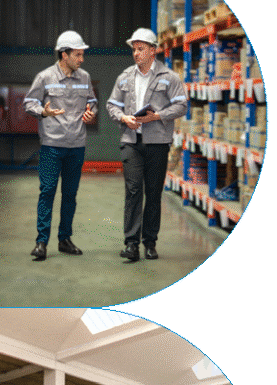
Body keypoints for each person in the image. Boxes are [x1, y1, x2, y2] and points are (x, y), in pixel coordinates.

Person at [107, 28, 188, 261]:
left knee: (153, 193)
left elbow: (182, 106)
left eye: (141, 49)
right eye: (134, 49)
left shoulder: (169, 77)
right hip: (131, 142)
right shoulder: (124, 77)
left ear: (153, 51)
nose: (136, 53)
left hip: (157, 143)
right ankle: (131, 244)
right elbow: (112, 105)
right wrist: (124, 118)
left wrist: (158, 116)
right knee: (133, 191)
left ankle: (150, 242)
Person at [24, 31, 97, 261]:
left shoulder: (84, 78)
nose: (81, 59)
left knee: (70, 194)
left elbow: (93, 103)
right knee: (47, 193)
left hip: (76, 145)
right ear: (64, 54)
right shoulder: (45, 77)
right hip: (52, 146)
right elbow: (29, 102)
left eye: (82, 55)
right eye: (78, 54)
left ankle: (64, 239)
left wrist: (91, 114)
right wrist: (42, 111)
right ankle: (41, 242)